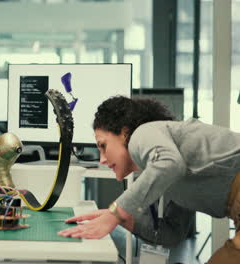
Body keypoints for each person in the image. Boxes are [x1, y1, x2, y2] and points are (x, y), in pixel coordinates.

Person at [57, 96, 240, 263]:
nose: (102, 159)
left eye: (103, 145)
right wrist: (124, 218)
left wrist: (116, 212)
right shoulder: (167, 176)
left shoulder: (141, 134)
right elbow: (172, 234)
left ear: (124, 133)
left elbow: (169, 163)